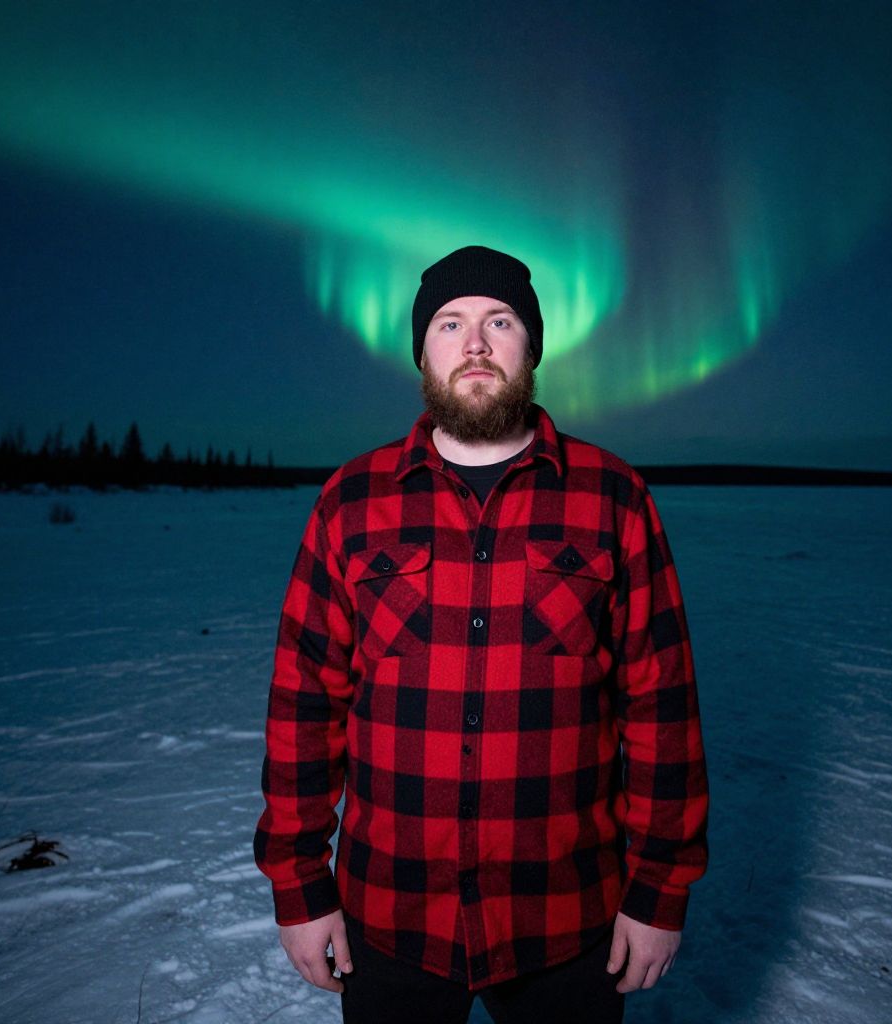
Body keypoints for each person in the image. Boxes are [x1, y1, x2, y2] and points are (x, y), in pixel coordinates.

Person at [254, 245, 708, 1023]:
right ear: (422, 352)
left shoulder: (613, 496)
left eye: (499, 322)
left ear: (529, 346)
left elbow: (661, 708)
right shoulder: (351, 501)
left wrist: (659, 892)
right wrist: (299, 887)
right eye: (450, 323)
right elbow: (304, 705)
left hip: (566, 919)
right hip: (390, 916)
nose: (475, 343)